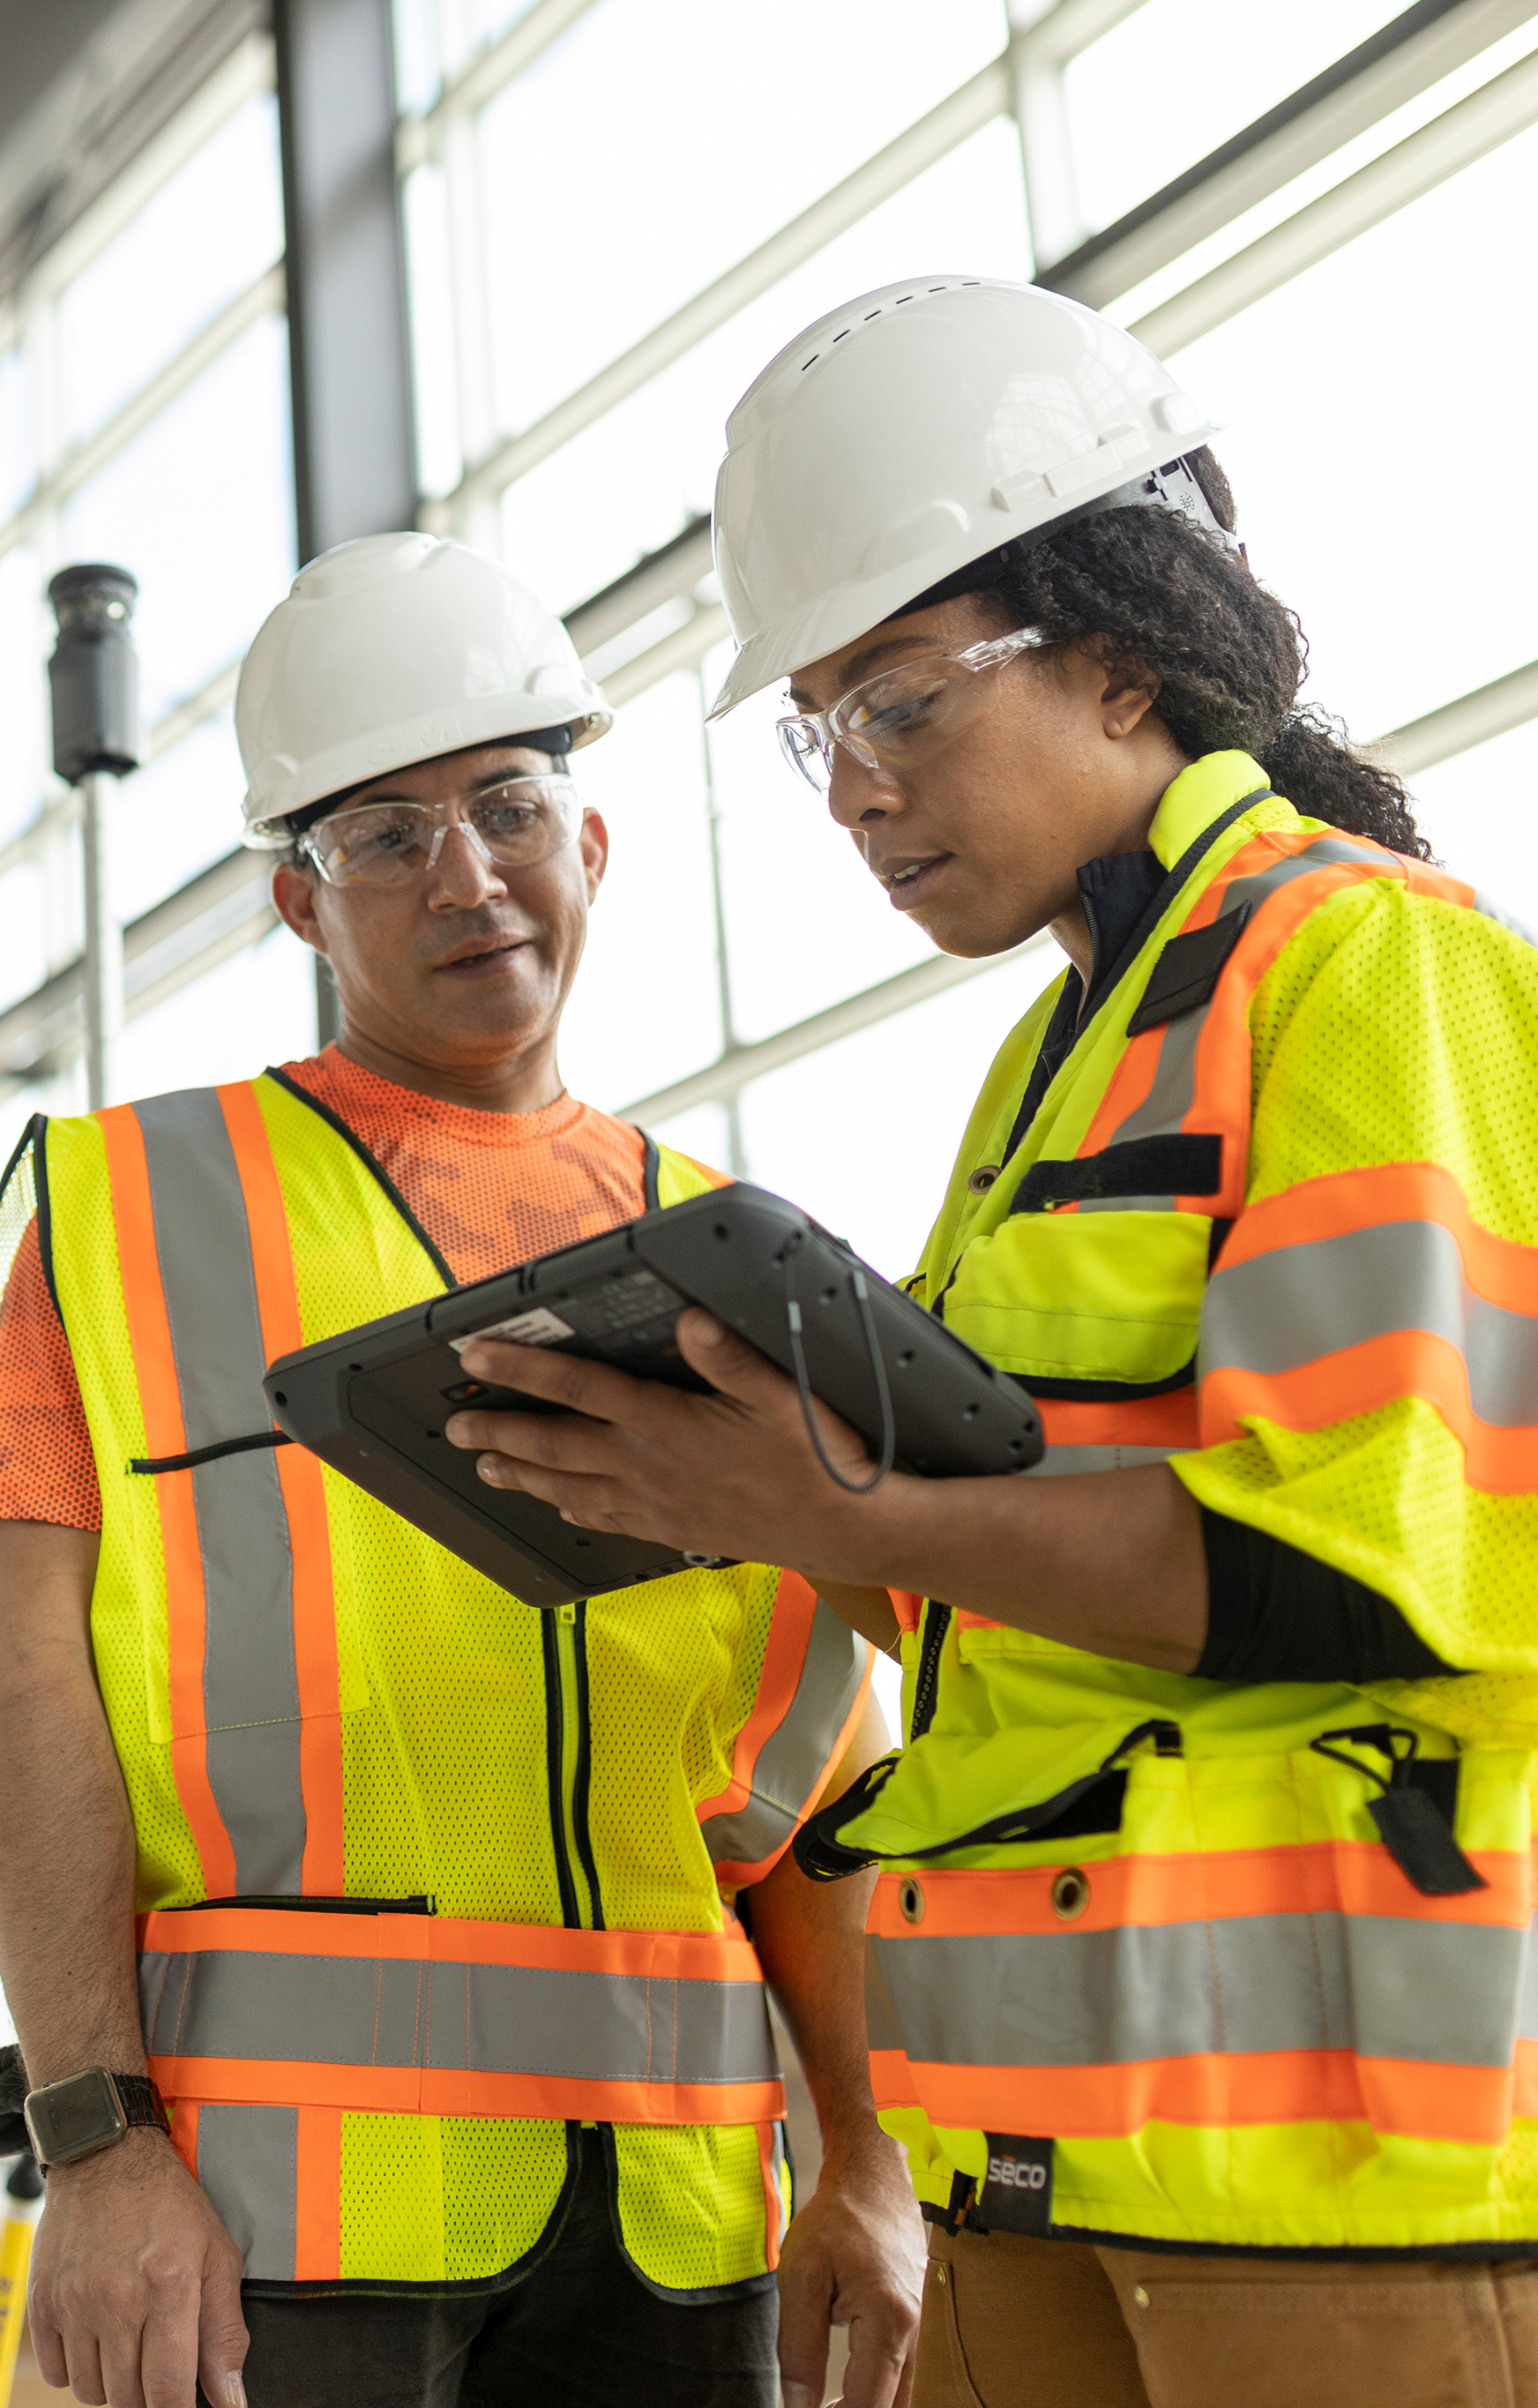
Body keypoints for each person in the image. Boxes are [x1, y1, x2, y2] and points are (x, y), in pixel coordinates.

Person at [433, 280, 1538, 2407]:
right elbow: (977, 1606)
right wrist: (687, 1483)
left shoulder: (1360, 965)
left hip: (1343, 2176)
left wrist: (819, 1492)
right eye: (815, 728)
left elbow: (1352, 1565)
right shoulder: (1060, 1058)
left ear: (1123, 657)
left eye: (899, 702)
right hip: (1036, 2152)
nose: (850, 790)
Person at [0, 531, 924, 2408]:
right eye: (383, 836)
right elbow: (33, 1697)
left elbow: (826, 1778)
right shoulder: (129, 1215)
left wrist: (868, 2154)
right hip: (279, 2231)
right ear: (296, 907)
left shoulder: (741, 1256)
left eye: (508, 802)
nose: (466, 872)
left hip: (688, 2227)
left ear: (589, 844)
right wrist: (93, 2143)